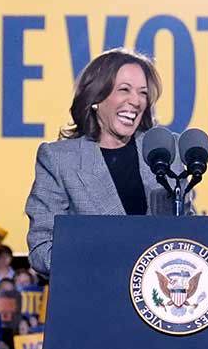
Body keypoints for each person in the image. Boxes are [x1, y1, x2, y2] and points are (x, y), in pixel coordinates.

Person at [24, 48, 173, 276]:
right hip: (96, 297)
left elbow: (186, 234)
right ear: (96, 98)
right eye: (124, 90)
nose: (135, 101)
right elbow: (42, 251)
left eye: (143, 93)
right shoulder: (59, 161)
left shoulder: (163, 153)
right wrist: (106, 258)